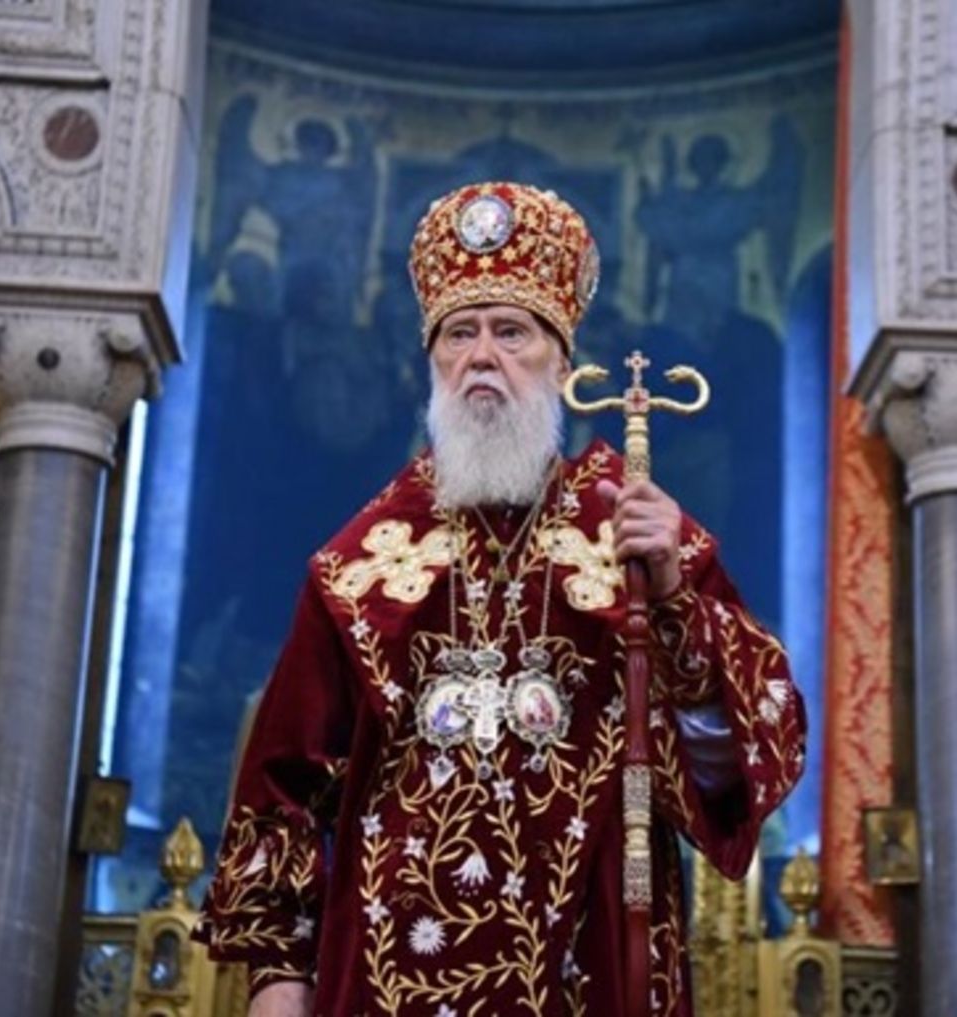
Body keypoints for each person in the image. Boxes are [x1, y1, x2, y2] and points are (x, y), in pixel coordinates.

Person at [195, 182, 806, 1017]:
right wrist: (277, 978)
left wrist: (673, 603)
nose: (482, 355)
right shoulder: (356, 568)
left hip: (588, 976)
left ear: (565, 366)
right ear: (432, 364)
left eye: (511, 331)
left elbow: (734, 765)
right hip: (385, 984)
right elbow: (283, 787)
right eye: (460, 333)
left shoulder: (640, 542)